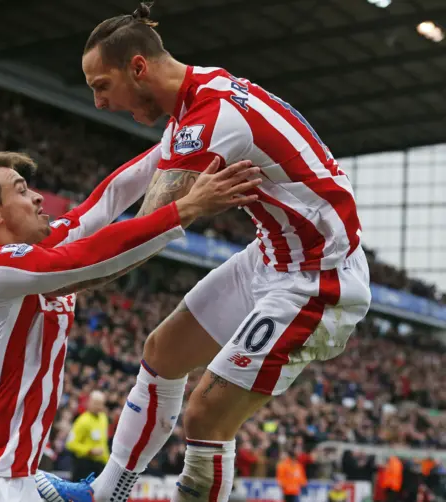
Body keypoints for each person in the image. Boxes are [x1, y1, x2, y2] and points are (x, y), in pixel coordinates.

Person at [37, 3, 371, 502]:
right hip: (273, 256)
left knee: (205, 416)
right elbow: (130, 179)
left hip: (317, 280)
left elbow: (143, 237)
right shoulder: (201, 93)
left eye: (101, 86)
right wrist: (61, 233)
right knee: (163, 353)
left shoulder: (213, 119)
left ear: (138, 67)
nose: (99, 103)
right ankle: (107, 493)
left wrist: (44, 279)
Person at [0, 151, 261, 502]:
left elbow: (106, 200)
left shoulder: (33, 253)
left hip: (11, 478)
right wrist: (187, 208)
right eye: (21, 191)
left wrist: (178, 141)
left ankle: (106, 489)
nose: (37, 197)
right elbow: (89, 257)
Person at [66, 390, 110, 481]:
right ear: (89, 403)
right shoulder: (82, 421)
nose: (98, 406)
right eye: (96, 403)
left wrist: (107, 461)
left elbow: (103, 443)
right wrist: (89, 451)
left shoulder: (103, 418)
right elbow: (70, 444)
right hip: (84, 465)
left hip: (100, 465)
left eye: (101, 404)